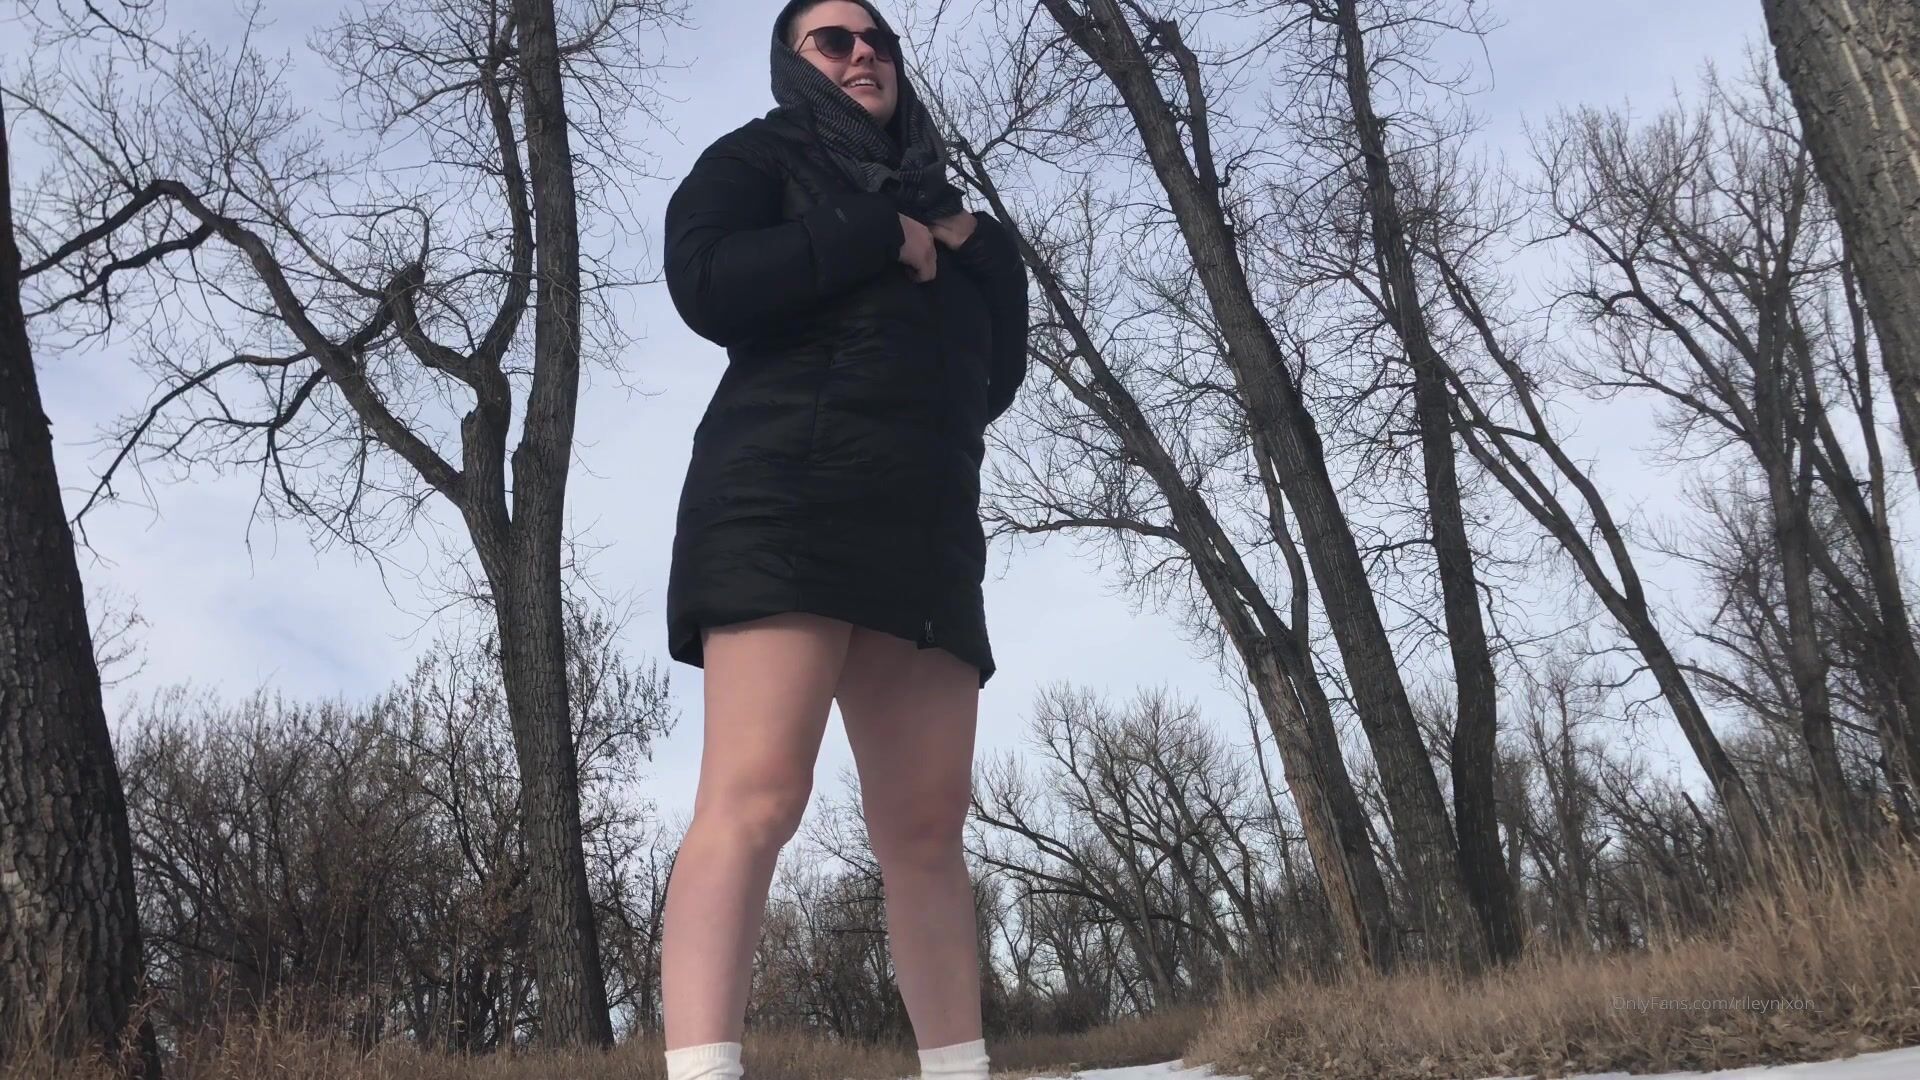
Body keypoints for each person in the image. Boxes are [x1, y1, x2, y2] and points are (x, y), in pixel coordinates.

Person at [656, 1, 1030, 1078]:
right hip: (787, 497)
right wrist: (874, 233)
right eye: (834, 40)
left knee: (927, 830)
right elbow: (706, 282)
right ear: (794, 64)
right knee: (760, 794)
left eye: (878, 40)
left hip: (925, 527)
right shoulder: (759, 157)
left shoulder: (958, 220)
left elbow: (990, 378)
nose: (864, 52)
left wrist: (976, 255)